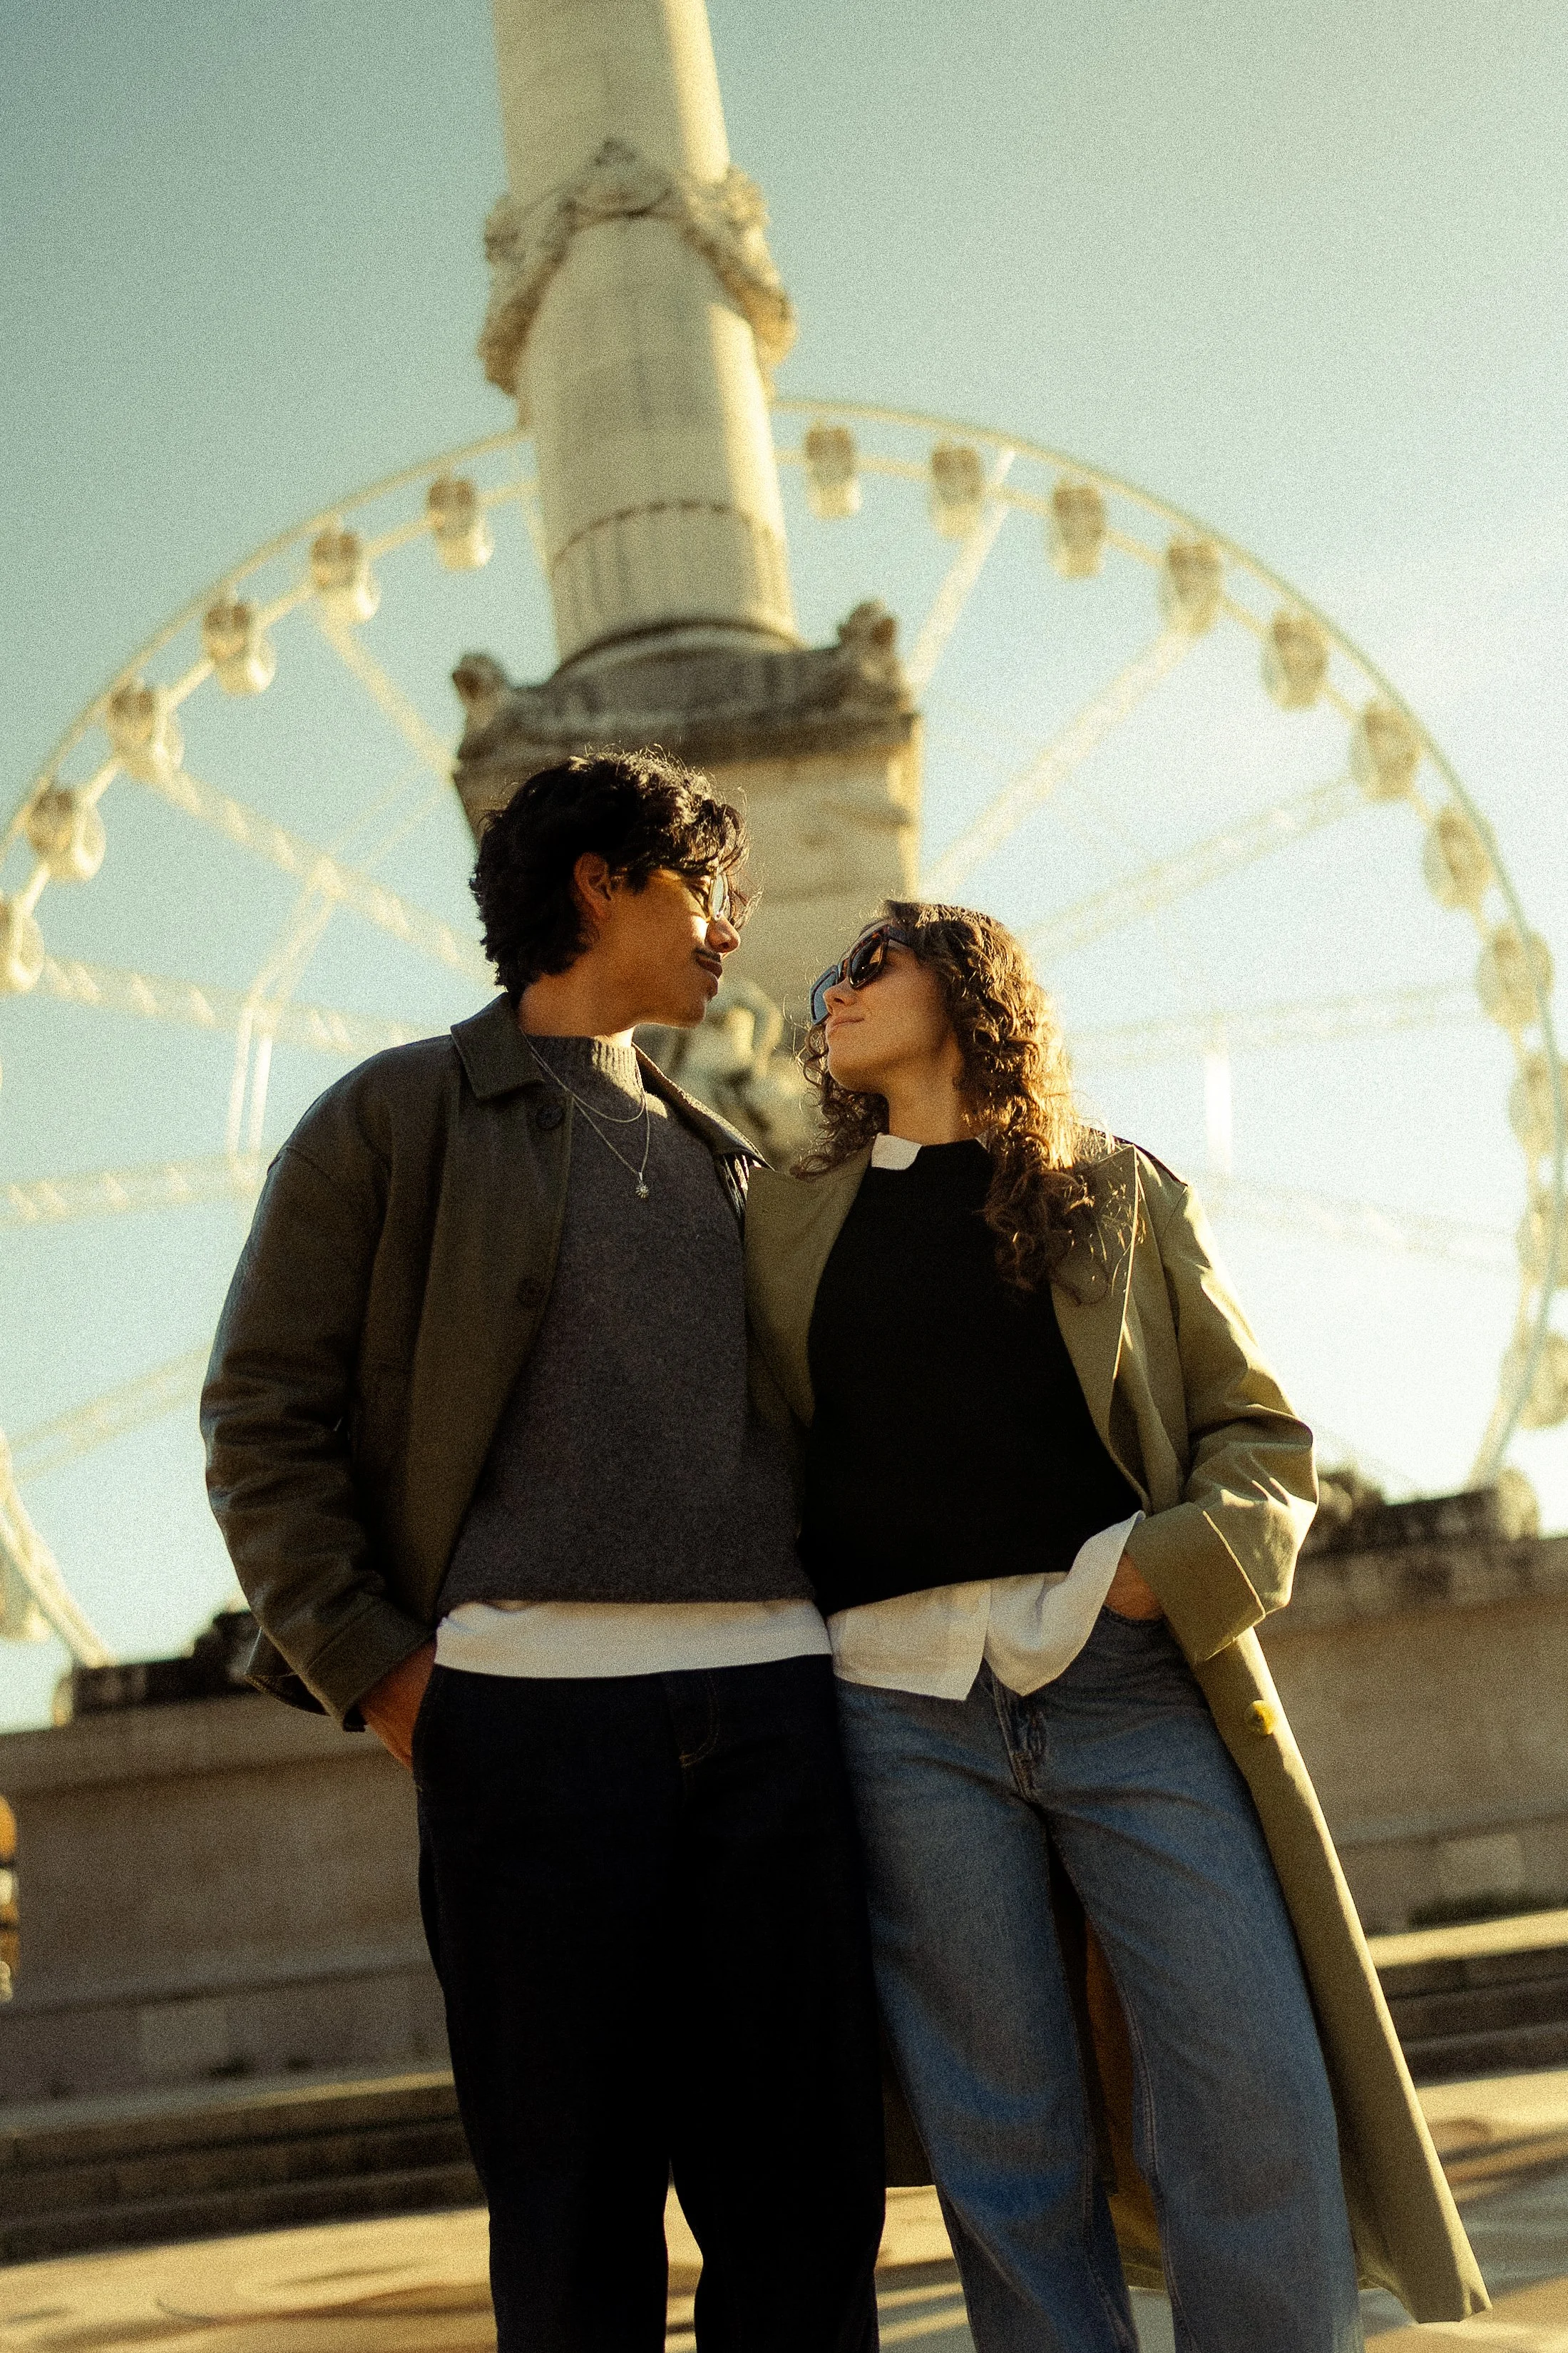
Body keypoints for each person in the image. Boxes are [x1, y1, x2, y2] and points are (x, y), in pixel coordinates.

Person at [200, 750, 885, 2353]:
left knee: (804, 2215)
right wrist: (383, 1673)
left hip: (775, 1719)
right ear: (599, 881)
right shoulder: (392, 1116)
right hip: (526, 1729)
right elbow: (262, 1411)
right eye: (703, 888)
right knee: (572, 2230)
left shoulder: (732, 1158)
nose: (731, 930)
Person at [743, 901, 1485, 2353]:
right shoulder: (777, 1216)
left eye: (867, 964)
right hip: (897, 1714)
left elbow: (1259, 1439)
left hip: (1125, 1679)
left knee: (1251, 2091)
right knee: (1002, 2138)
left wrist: (1155, 1571)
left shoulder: (1115, 1189)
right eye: (828, 976)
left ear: (965, 984)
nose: (828, 992)